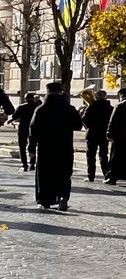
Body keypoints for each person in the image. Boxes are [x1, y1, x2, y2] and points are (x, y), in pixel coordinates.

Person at [29, 83, 83, 211]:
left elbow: (33, 129)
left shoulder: (40, 109)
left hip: (45, 147)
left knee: (44, 174)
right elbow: (78, 126)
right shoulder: (70, 108)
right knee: (64, 173)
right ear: (61, 92)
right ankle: (63, 197)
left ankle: (44, 200)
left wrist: (31, 148)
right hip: (65, 146)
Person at [105, 88, 126, 186]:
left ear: (121, 95)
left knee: (116, 158)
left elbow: (112, 121)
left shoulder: (119, 105)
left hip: (120, 136)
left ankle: (113, 178)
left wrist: (109, 134)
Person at [80, 90, 112, 182]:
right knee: (104, 155)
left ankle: (91, 176)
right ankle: (106, 175)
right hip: (104, 134)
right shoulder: (110, 108)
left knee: (90, 155)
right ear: (106, 97)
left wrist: (88, 127)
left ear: (96, 96)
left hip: (92, 134)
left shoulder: (91, 107)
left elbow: (84, 119)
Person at [8, 92, 39, 172]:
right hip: (35, 129)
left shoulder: (21, 107)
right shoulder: (37, 107)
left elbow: (15, 116)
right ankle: (32, 163)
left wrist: (11, 120)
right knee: (33, 146)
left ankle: (24, 165)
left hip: (23, 129)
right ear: (33, 98)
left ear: (25, 99)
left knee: (22, 147)